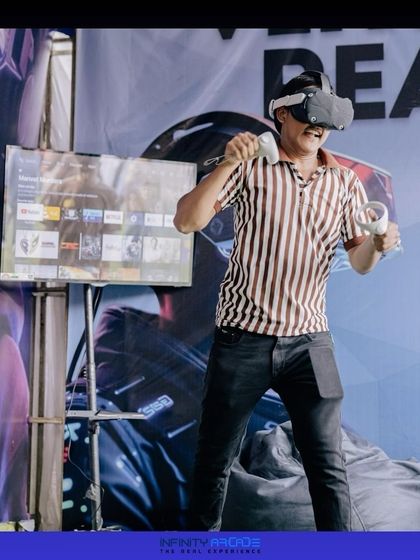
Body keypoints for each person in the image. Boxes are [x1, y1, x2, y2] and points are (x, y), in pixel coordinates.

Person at [174, 70, 400, 531]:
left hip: (309, 344)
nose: (318, 127)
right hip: (243, 340)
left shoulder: (344, 183)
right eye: (309, 115)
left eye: (325, 119)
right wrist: (226, 164)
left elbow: (359, 262)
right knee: (214, 460)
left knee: (328, 466)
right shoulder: (249, 168)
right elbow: (186, 221)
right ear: (282, 115)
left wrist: (376, 246)